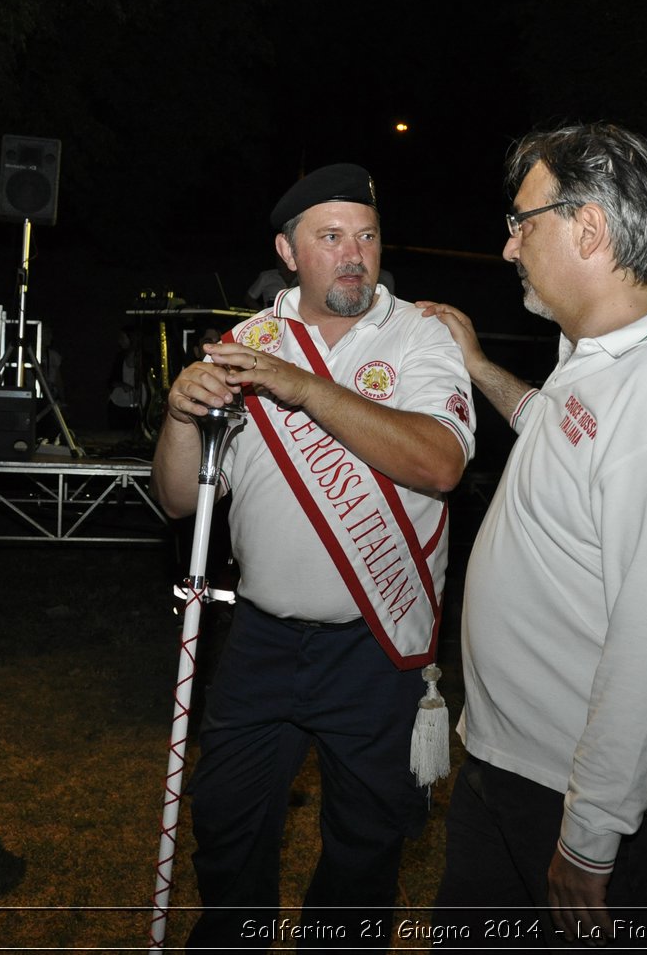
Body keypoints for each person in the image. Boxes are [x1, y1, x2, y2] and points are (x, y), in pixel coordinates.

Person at [419, 123, 647, 946]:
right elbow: (557, 429)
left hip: (588, 801)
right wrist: (481, 367)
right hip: (516, 765)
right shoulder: (601, 357)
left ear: (590, 228)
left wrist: (592, 834)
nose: (508, 246)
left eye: (524, 221)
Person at [152, 163, 475, 949]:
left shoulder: (421, 336)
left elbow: (439, 464)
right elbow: (179, 501)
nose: (354, 254)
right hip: (261, 638)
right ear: (288, 251)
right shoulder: (245, 344)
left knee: (365, 851)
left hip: (375, 644)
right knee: (227, 828)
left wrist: (302, 388)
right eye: (330, 238)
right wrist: (179, 415)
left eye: (365, 235)